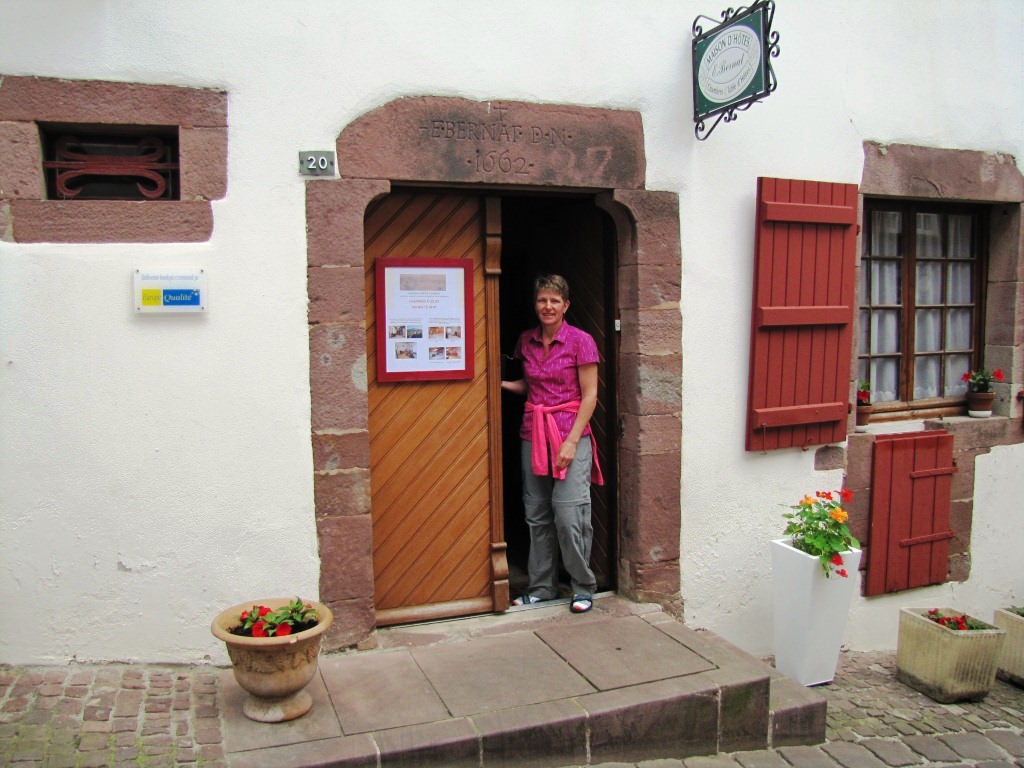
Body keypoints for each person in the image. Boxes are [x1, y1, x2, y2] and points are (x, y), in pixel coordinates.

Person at [501, 274, 603, 614]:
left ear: (566, 305)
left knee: (569, 513)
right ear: (536, 303)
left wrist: (572, 442)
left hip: (569, 434)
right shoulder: (526, 341)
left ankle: (582, 586)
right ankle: (542, 587)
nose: (548, 306)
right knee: (537, 514)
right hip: (533, 433)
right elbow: (530, 387)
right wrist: (495, 383)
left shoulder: (580, 341)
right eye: (542, 300)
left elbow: (590, 396)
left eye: (554, 301)